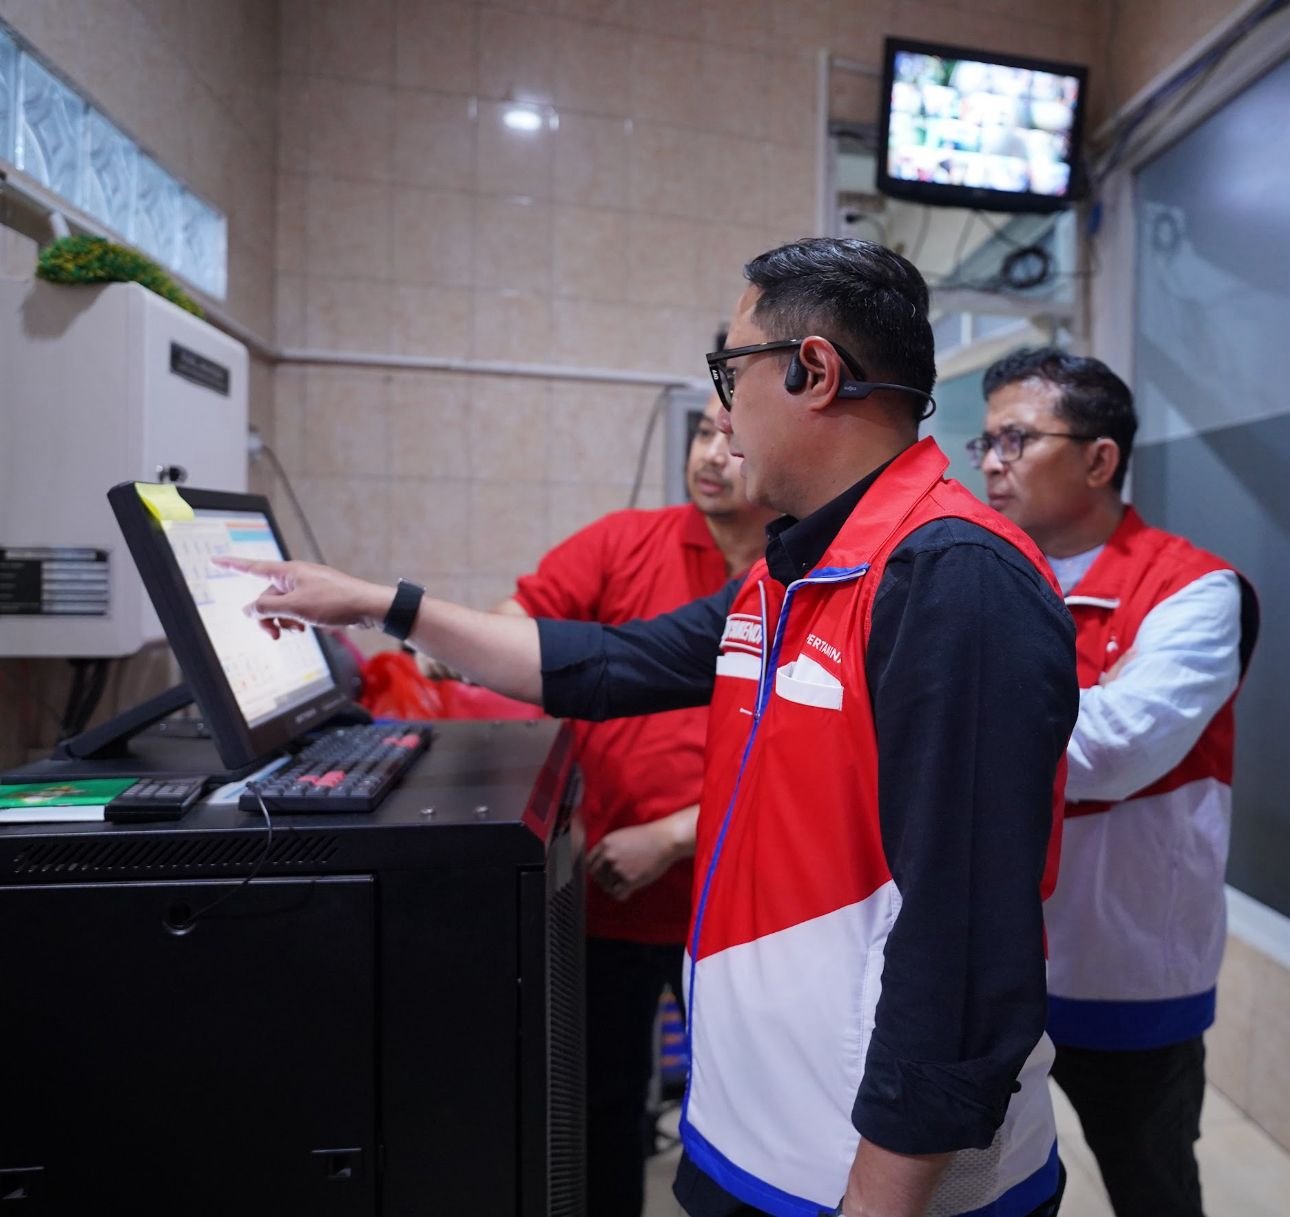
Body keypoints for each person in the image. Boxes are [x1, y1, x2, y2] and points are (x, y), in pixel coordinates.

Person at [215, 237, 1078, 1217]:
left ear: (813, 370)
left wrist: (882, 1199)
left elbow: (968, 939)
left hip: (879, 1175)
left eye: (732, 373)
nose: (723, 419)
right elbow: (601, 662)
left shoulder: (955, 580)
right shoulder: (788, 577)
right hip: (761, 1132)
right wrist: (378, 602)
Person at [972, 348, 1259, 1217]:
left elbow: (1113, 748)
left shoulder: (1194, 589)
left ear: (1100, 459)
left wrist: (952, 721)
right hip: (988, 957)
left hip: (1127, 966)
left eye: (1017, 439)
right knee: (982, 1185)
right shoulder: (978, 571)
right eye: (986, 441)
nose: (991, 462)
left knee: (1150, 1183)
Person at [494, 393, 776, 1217]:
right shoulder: (623, 543)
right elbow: (519, 626)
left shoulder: (801, 576)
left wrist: (678, 834)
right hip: (608, 893)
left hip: (741, 908)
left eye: (732, 439)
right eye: (703, 431)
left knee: (753, 1115)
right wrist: (447, 641)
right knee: (598, 1102)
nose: (710, 455)